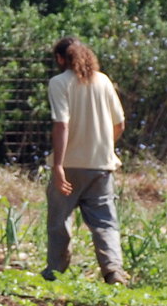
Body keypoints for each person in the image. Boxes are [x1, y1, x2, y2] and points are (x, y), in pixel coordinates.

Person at [43, 37, 129, 285]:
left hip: (70, 165)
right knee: (105, 221)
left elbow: (62, 124)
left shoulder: (59, 83)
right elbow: (119, 123)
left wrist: (58, 165)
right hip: (101, 165)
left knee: (60, 219)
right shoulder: (103, 81)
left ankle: (55, 271)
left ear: (61, 59)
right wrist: (105, 147)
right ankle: (113, 271)